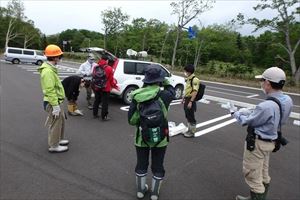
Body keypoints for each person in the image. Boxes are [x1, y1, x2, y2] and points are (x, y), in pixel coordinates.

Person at [227, 67, 293, 200]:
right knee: (263, 172)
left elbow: (246, 121)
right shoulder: (287, 100)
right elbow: (276, 117)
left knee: (252, 174)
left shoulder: (266, 106)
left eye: (262, 81)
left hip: (258, 144)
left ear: (268, 83)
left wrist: (235, 113)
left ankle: (257, 196)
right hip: (271, 141)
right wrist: (253, 110)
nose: (261, 83)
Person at [128, 65, 175, 200]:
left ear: (146, 79)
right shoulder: (165, 95)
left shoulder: (137, 95)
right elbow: (171, 89)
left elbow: (131, 120)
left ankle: (141, 191)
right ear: (159, 80)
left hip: (141, 137)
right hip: (161, 138)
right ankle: (154, 194)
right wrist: (164, 81)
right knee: (158, 165)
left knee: (141, 164)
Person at [38, 44, 69, 153]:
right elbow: (50, 90)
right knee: (55, 124)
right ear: (55, 57)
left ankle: (58, 140)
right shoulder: (48, 71)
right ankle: (54, 145)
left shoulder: (51, 69)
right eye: (59, 56)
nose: (60, 58)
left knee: (60, 122)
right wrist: (55, 106)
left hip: (56, 101)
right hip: (52, 102)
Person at [92, 54, 117, 121]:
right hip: (105, 88)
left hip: (97, 87)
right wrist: (115, 86)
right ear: (107, 60)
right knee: (105, 103)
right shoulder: (109, 68)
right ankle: (104, 116)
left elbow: (93, 76)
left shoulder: (95, 67)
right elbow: (111, 80)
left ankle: (95, 114)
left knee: (97, 101)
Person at [182, 64, 200, 138]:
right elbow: (188, 89)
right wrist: (183, 98)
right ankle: (189, 130)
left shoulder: (195, 79)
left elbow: (195, 91)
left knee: (191, 116)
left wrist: (191, 102)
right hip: (187, 99)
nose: (185, 72)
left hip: (190, 99)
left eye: (185, 71)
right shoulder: (189, 78)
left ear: (189, 71)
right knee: (187, 115)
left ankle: (192, 132)